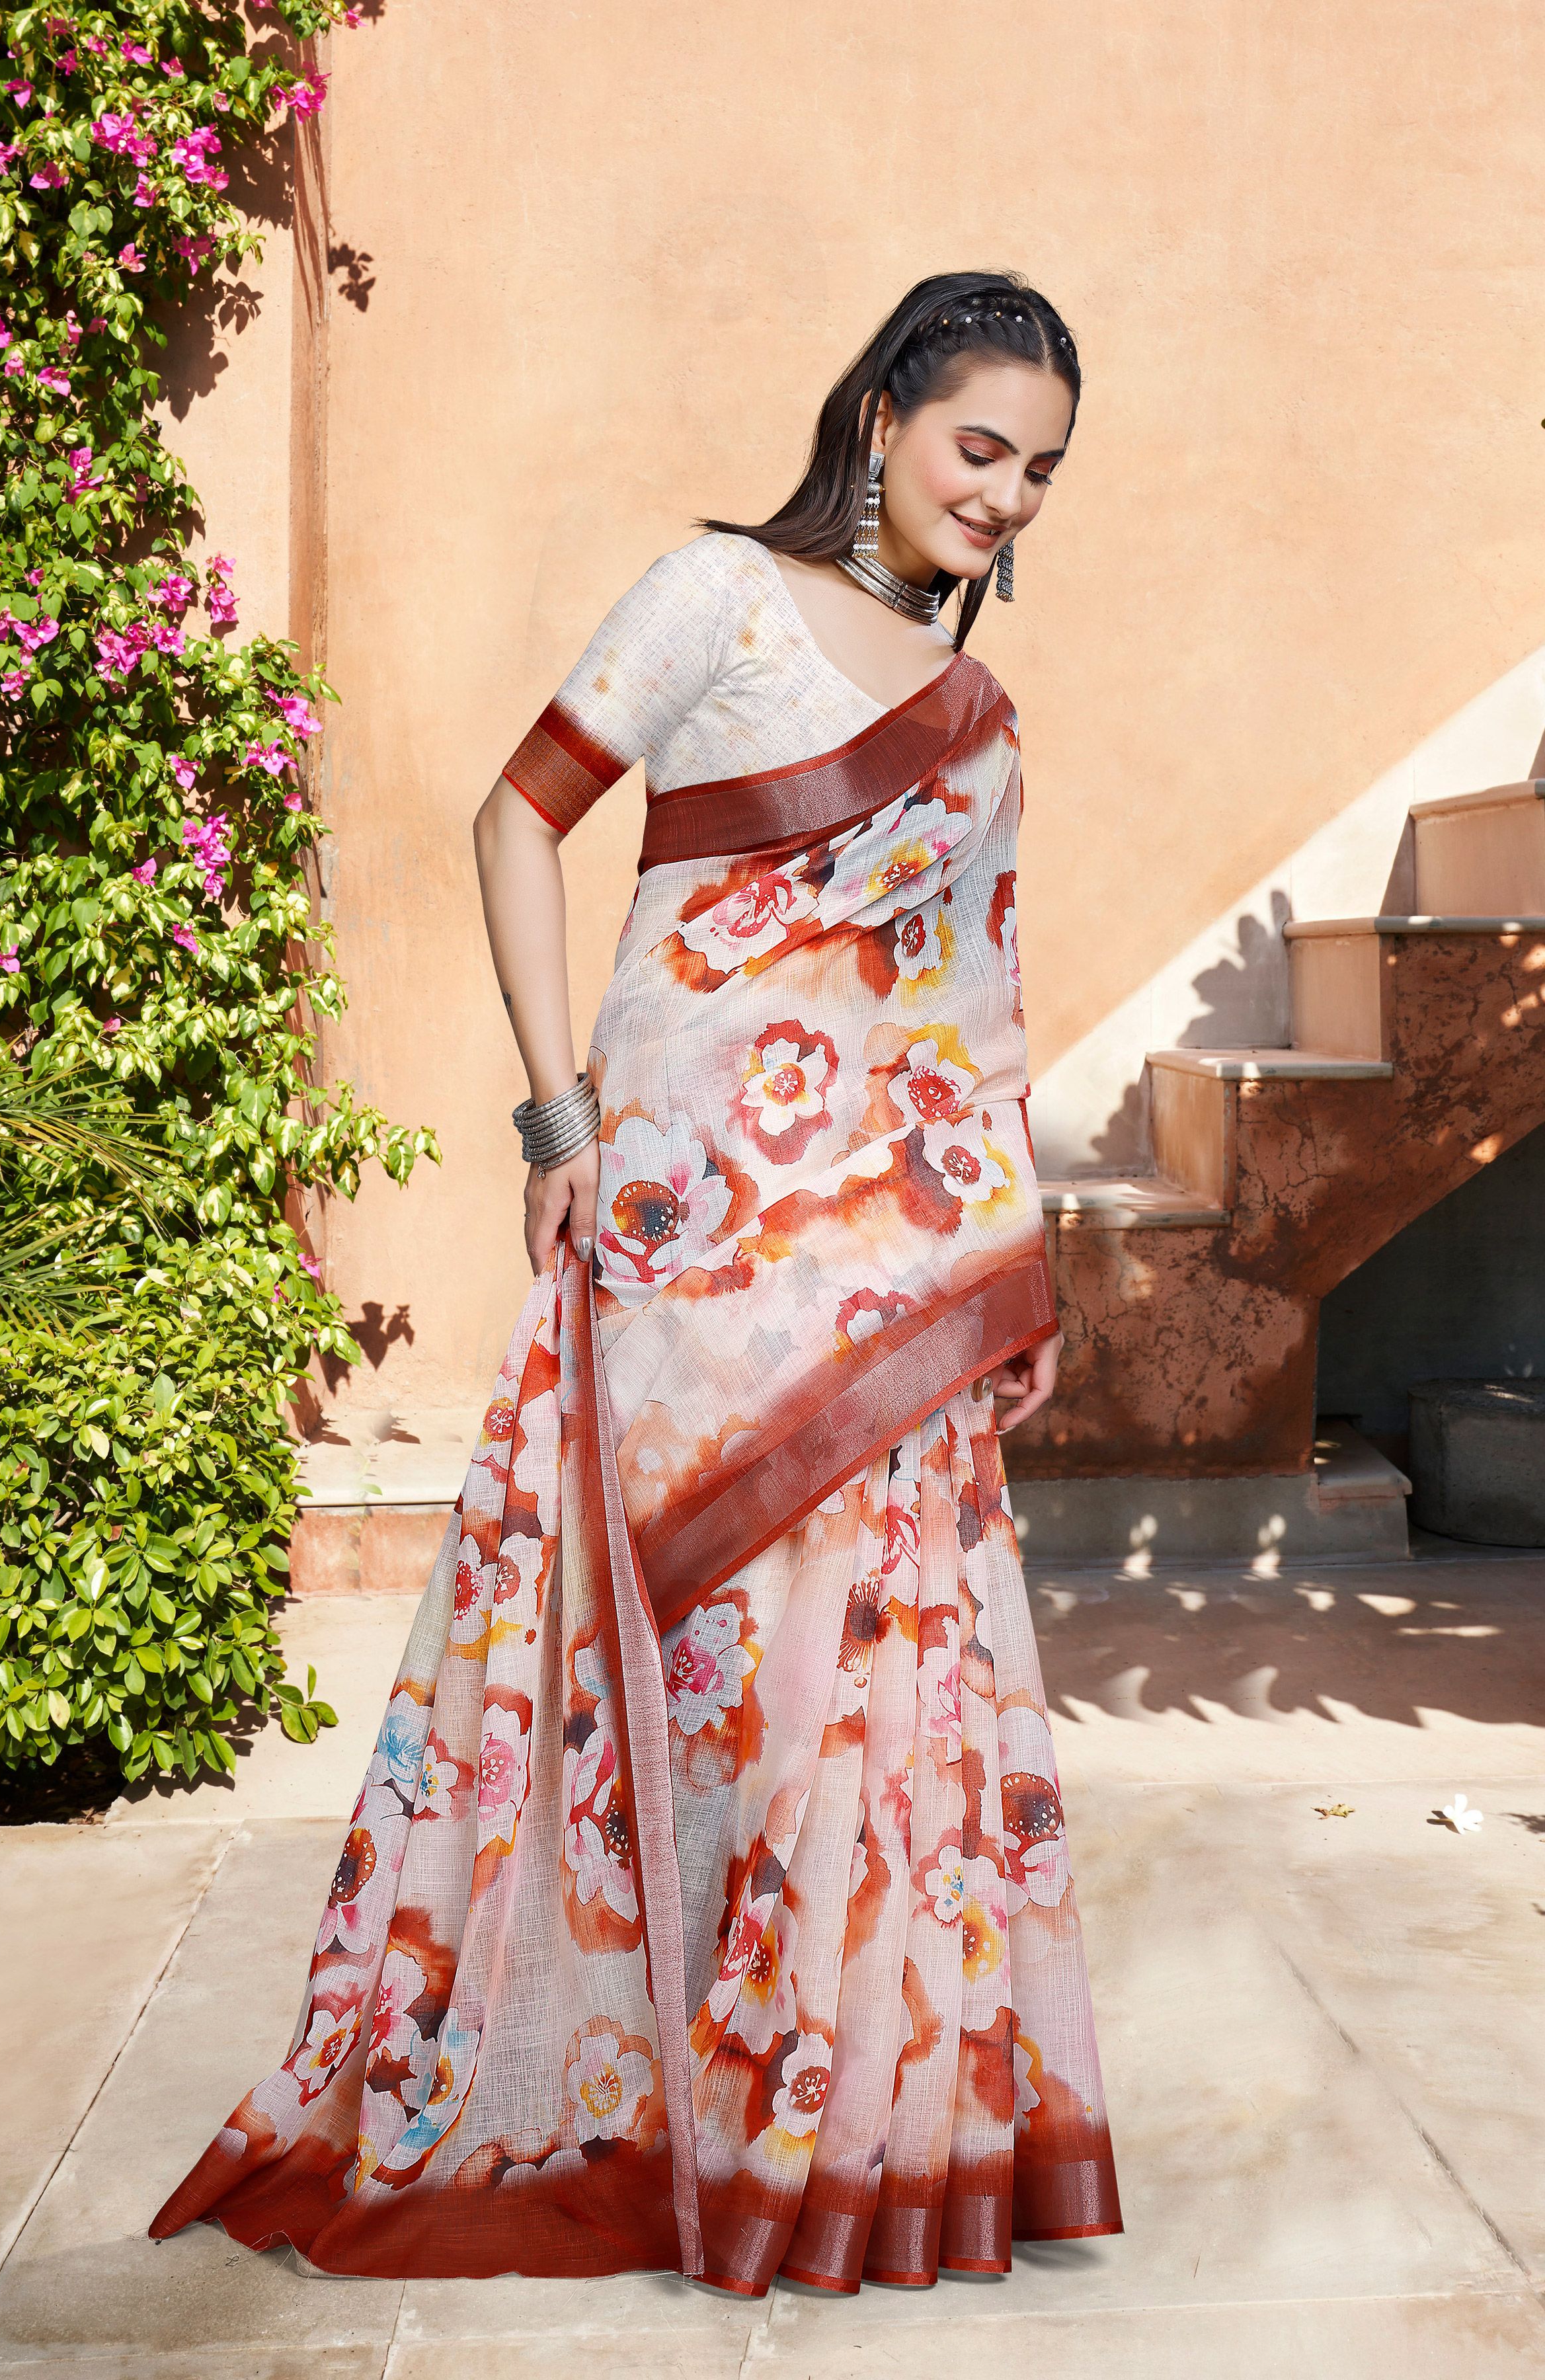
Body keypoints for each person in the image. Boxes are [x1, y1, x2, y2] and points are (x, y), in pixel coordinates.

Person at [151, 268, 1124, 2293]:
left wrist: (1008, 1259)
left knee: (859, 1697)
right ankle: (671, 2099)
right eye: (980, 447)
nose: (1006, 495)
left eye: (1040, 470)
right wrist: (561, 1125)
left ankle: (828, 2133)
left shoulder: (973, 712)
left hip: (895, 1268)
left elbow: (975, 1005)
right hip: (690, 1239)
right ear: (883, 416)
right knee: (709, 1684)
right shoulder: (720, 599)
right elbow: (519, 821)